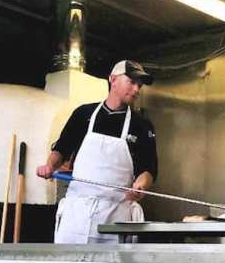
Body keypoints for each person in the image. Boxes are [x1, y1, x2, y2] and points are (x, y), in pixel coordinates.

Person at [36, 60, 158, 244]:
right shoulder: (83, 114)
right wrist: (49, 165)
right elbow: (62, 149)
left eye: (139, 85)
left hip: (116, 216)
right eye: (131, 82)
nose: (136, 90)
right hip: (77, 213)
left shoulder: (142, 125)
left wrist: (140, 185)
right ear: (113, 79)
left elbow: (148, 168)